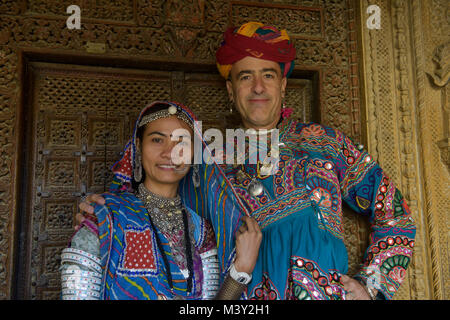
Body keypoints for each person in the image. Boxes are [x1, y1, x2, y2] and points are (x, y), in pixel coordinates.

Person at [78, 22, 416, 300]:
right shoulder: (208, 159)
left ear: (283, 85)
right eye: (244, 77)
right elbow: (150, 195)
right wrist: (105, 209)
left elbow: (395, 213)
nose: (258, 87)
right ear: (230, 90)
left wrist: (372, 287)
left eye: (268, 75)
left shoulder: (326, 144)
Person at [61, 101, 262, 300]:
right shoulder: (105, 219)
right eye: (157, 140)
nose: (169, 153)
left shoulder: (201, 231)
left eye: (182, 142)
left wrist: (240, 270)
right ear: (138, 146)